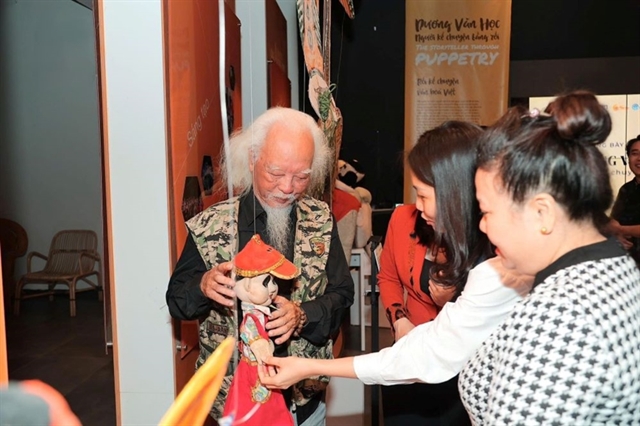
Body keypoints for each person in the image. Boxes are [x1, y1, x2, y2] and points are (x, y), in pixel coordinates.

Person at [258, 122, 533, 396]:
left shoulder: (500, 270)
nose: (418, 206)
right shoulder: (498, 264)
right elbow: (425, 344)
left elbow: (428, 355)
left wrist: (309, 367)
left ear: (455, 193)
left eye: (423, 195)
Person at [166, 107, 354, 425]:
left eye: (301, 176)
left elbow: (342, 294)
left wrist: (303, 315)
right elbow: (176, 301)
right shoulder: (212, 225)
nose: (288, 187)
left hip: (303, 402)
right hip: (234, 405)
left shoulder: (320, 221)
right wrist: (203, 286)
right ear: (253, 159)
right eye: (276, 173)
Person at [461, 91, 640, 424]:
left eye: (486, 211)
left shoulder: (560, 317)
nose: (482, 226)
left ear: (541, 212)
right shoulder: (613, 266)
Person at [377, 122, 489, 425]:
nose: (417, 205)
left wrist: (449, 301)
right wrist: (399, 320)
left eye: (423, 195)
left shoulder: (489, 239)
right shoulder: (403, 219)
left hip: (460, 373)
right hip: (411, 358)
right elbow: (388, 278)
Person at [609, 134, 640, 263]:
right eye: (634, 153)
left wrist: (621, 230)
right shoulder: (626, 189)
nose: (639, 158)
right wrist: (618, 235)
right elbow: (613, 221)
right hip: (630, 262)